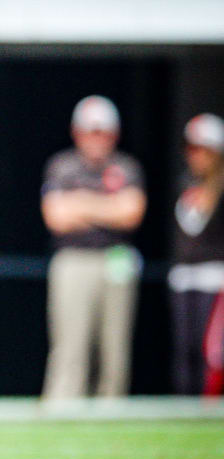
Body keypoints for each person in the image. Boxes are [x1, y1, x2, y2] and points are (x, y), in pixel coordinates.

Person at [40, 95, 146, 402]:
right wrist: (107, 207)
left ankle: (111, 411)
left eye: (103, 132)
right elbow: (57, 217)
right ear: (77, 132)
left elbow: (131, 214)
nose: (97, 139)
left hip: (116, 260)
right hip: (73, 260)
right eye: (91, 131)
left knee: (115, 345)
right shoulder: (63, 166)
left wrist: (81, 203)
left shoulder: (126, 167)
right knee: (69, 343)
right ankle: (62, 408)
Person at [168, 113, 224, 396]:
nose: (195, 155)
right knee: (184, 348)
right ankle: (184, 408)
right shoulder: (184, 184)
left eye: (201, 148)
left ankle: (209, 409)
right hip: (184, 277)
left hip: (215, 278)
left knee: (210, 352)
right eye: (190, 148)